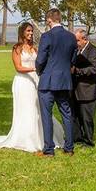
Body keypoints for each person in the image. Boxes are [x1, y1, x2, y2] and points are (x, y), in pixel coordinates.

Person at [0, 22, 63, 151]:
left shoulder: (34, 48)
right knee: (27, 109)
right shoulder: (17, 48)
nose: (30, 33)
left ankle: (43, 137)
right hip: (23, 82)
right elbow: (18, 67)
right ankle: (27, 139)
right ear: (22, 32)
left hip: (36, 81)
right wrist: (34, 68)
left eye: (31, 31)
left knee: (38, 108)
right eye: (28, 31)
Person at [35, 8, 77, 156]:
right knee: (66, 113)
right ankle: (69, 148)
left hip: (48, 80)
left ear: (49, 20)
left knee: (46, 115)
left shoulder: (47, 36)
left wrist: (40, 71)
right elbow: (73, 60)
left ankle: (48, 150)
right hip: (64, 81)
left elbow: (40, 59)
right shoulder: (71, 37)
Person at [71, 29, 96, 147]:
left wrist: (77, 70)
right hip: (76, 89)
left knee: (87, 118)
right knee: (77, 116)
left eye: (77, 40)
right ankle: (77, 137)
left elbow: (94, 69)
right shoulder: (77, 50)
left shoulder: (94, 52)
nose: (76, 43)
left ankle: (88, 141)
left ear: (85, 39)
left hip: (88, 91)